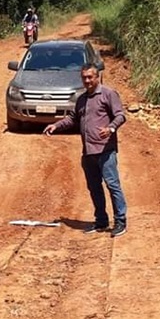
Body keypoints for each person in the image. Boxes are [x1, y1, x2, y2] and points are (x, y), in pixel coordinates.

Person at [43, 64, 128, 237]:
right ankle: (101, 221)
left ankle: (120, 221)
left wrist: (110, 128)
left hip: (105, 150)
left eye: (90, 77)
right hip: (88, 152)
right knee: (94, 187)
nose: (87, 81)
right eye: (84, 78)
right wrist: (56, 126)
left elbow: (120, 115)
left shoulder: (108, 94)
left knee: (113, 185)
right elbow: (73, 118)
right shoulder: (81, 99)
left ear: (97, 77)